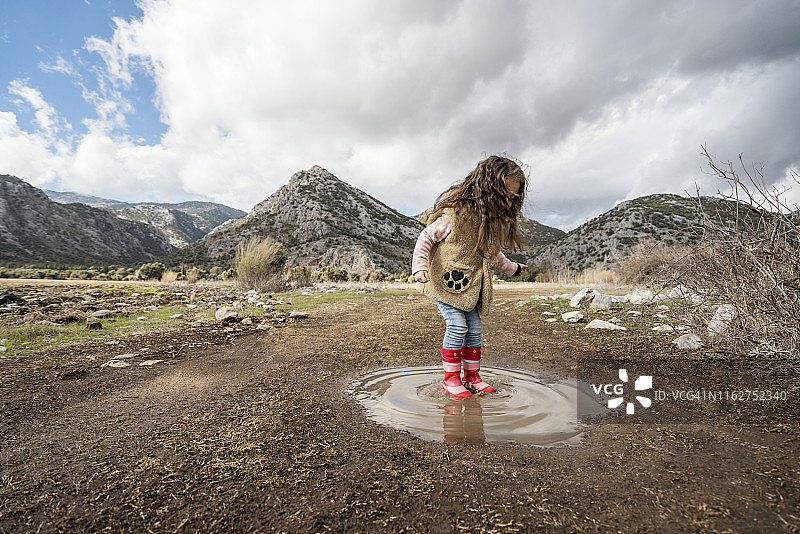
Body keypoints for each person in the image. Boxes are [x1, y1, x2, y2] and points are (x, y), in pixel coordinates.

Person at [412, 155, 528, 398]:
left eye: (514, 196)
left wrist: (514, 269)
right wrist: (420, 267)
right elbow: (426, 238)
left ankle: (473, 377)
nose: (509, 200)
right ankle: (451, 379)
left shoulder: (490, 224)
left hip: (471, 289)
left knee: (474, 329)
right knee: (457, 326)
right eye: (505, 193)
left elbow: (494, 256)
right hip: (446, 284)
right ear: (487, 188)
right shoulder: (454, 217)